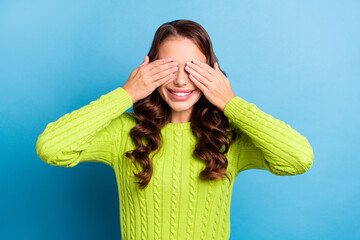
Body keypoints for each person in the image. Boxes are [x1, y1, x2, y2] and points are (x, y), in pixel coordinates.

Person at [36, 19, 314, 240]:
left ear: (212, 73)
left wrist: (231, 103)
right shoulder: (125, 133)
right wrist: (125, 94)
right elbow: (51, 148)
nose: (181, 81)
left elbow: (298, 158)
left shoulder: (227, 138)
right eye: (169, 68)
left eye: (193, 68)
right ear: (149, 70)